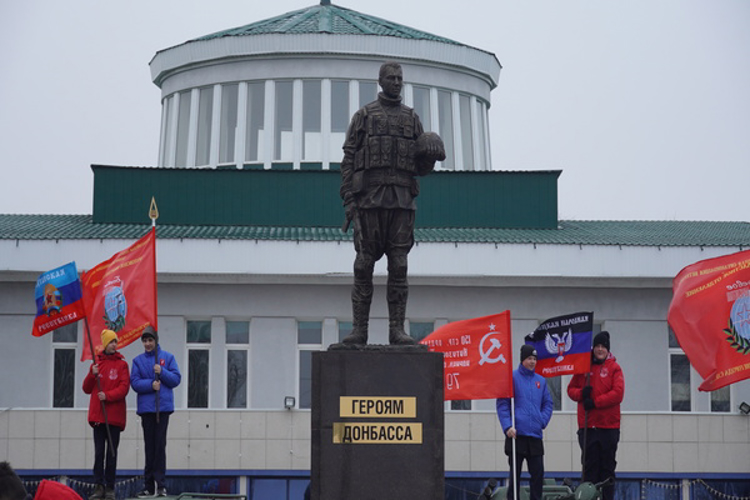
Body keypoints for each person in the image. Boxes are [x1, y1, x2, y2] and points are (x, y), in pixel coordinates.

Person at [339, 61, 445, 346]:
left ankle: (396, 330)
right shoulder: (363, 116)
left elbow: (420, 168)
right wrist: (349, 199)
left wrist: (430, 153)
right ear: (381, 81)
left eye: (400, 78)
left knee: (399, 265)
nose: (397, 82)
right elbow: (348, 159)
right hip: (370, 201)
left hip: (401, 201)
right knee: (363, 265)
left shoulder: (412, 119)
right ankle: (359, 329)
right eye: (392, 77)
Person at [567, 331, 624, 500]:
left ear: (608, 350)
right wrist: (582, 394)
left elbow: (618, 393)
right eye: (597, 346)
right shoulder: (583, 367)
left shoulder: (615, 368)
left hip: (608, 427)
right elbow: (570, 390)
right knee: (589, 469)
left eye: (603, 347)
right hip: (588, 427)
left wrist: (596, 402)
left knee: (607, 470)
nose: (600, 349)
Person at [496, 345, 554, 500]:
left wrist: (542, 420)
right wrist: (507, 426)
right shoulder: (512, 378)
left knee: (538, 475)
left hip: (535, 435)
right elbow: (503, 403)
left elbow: (548, 403)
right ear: (522, 359)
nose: (532, 362)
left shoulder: (540, 381)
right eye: (529, 358)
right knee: (515, 475)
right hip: (516, 435)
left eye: (535, 359)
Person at [131, 326, 181, 498]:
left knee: (160, 446)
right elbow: (135, 383)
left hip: (163, 409)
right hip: (147, 410)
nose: (147, 344)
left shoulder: (167, 358)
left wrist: (162, 372)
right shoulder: (137, 361)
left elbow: (176, 379)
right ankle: (148, 486)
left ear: (156, 340)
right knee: (149, 448)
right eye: (145, 341)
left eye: (150, 340)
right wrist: (151, 385)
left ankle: (161, 485)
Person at [82, 329, 129, 500]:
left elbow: (124, 388)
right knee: (99, 453)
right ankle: (99, 486)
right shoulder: (96, 364)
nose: (114, 345)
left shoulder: (122, 364)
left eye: (115, 342)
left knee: (112, 453)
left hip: (114, 417)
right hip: (98, 417)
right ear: (104, 344)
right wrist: (91, 375)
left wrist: (107, 396)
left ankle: (110, 487)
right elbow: (86, 389)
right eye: (110, 342)